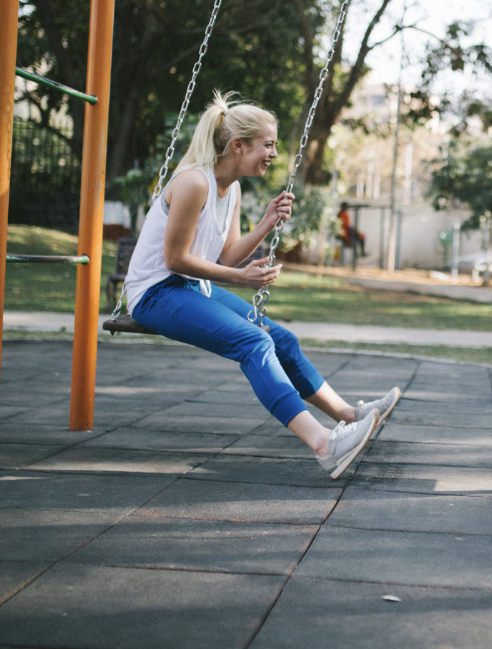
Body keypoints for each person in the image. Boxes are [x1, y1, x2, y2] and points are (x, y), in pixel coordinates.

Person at [123, 93, 399, 479]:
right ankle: (324, 444)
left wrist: (266, 223)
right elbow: (175, 260)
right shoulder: (192, 183)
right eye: (267, 144)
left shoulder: (231, 189)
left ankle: (350, 414)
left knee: (280, 338)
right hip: (156, 292)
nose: (272, 153)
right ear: (239, 145)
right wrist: (240, 279)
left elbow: (229, 256)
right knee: (254, 342)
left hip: (189, 289)